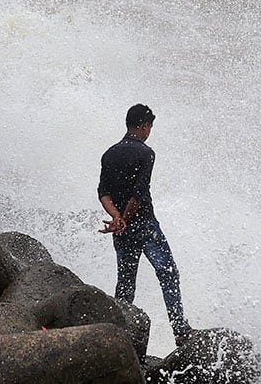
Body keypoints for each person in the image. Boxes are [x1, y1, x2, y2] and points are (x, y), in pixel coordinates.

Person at [98, 103, 193, 346]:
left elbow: (103, 193)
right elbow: (139, 195)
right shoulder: (146, 153)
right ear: (143, 125)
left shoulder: (109, 153)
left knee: (126, 282)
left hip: (122, 230)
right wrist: (126, 219)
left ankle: (118, 334)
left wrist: (117, 219)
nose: (148, 131)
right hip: (145, 227)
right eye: (149, 126)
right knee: (168, 273)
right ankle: (180, 330)